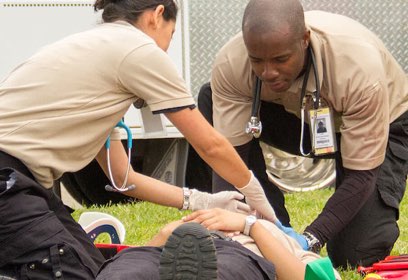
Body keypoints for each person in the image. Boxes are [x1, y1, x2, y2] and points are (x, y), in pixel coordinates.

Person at [0, 0, 278, 278]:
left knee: (100, 269)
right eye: (171, 36)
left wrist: (201, 200)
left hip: (24, 184)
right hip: (9, 181)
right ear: (157, 15)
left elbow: (121, 176)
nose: (167, 48)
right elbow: (210, 144)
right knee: (74, 272)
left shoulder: (97, 51)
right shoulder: (137, 48)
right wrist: (258, 198)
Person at [200, 0, 408, 268]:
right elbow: (230, 161)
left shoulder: (357, 67)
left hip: (383, 122)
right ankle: (270, 223)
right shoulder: (232, 61)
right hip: (304, 119)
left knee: (354, 254)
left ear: (305, 40)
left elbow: (362, 174)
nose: (268, 72)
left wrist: (309, 238)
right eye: (257, 61)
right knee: (209, 98)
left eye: (280, 59)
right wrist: (246, 228)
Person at [96, 208, 341, 280]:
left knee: (219, 270)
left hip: (234, 253)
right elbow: (146, 252)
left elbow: (303, 279)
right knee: (126, 269)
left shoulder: (273, 235)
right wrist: (166, 232)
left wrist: (250, 225)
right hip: (171, 249)